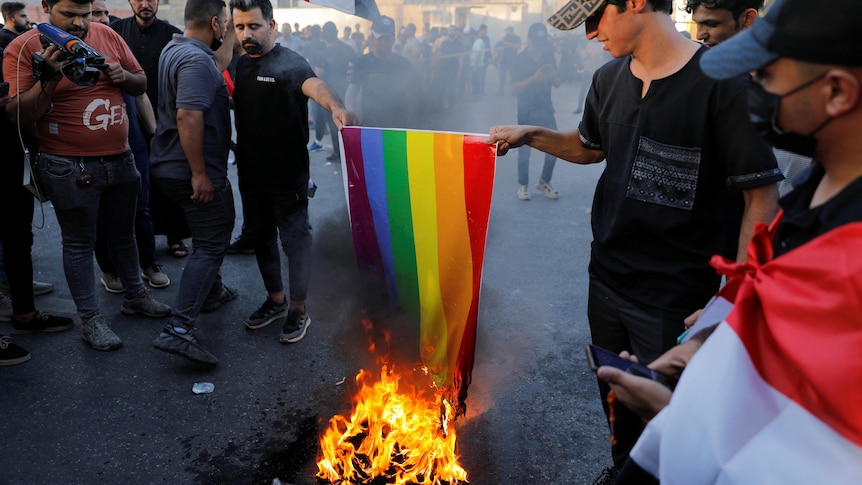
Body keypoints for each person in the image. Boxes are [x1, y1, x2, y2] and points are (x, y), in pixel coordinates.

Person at [488, 0, 782, 479]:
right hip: (606, 280)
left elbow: (761, 196)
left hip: (678, 296)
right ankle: (620, 468)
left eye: (594, 19)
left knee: (675, 417)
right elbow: (590, 148)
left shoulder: (724, 83)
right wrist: (533, 134)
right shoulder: (608, 79)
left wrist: (733, 297)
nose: (588, 35)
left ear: (637, 3)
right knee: (617, 396)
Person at [599, 0, 862, 482]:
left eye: (764, 77)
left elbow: (824, 449)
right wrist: (709, 338)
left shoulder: (850, 260)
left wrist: (687, 417)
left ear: (837, 92)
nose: (751, 92)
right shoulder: (818, 182)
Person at [4, 0, 171, 352]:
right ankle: (90, 320)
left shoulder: (107, 34)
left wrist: (123, 77)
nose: (80, 23)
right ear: (46, 7)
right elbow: (18, 114)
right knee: (80, 243)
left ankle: (135, 296)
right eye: (69, 14)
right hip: (68, 165)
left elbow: (141, 83)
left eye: (84, 13)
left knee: (123, 234)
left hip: (121, 158)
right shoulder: (22, 48)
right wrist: (48, 77)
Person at [229, 0, 357, 343]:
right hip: (251, 175)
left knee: (295, 243)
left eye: (254, 26)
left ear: (272, 25)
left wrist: (338, 106)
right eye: (240, 27)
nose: (247, 34)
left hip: (288, 179)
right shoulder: (240, 65)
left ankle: (299, 308)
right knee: (260, 239)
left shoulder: (290, 63)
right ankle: (276, 301)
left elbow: (315, 85)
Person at [149, 0, 236, 365]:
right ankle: (179, 329)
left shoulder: (178, 47)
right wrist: (200, 174)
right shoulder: (196, 61)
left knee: (207, 236)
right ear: (214, 23)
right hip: (188, 170)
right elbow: (188, 116)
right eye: (228, 24)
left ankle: (212, 291)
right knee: (212, 242)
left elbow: (220, 63)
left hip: (169, 165)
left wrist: (228, 30)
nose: (230, 29)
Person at [686, 0, 810, 196]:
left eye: (712, 24)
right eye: (697, 24)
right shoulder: (705, 79)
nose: (700, 35)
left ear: (748, 18)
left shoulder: (793, 85)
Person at [90, 0, 170, 292]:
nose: (101, 18)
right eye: (94, 13)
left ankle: (148, 263)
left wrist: (155, 135)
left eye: (103, 13)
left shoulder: (115, 42)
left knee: (141, 207)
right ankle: (110, 270)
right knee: (100, 214)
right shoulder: (65, 52)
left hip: (131, 141)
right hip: (91, 150)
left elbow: (140, 91)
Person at [112, 0, 191, 260]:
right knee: (135, 184)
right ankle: (139, 239)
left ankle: (175, 235)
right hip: (127, 121)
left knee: (170, 177)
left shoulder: (172, 34)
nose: (145, 4)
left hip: (166, 119)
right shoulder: (117, 31)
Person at [511, 22, 561, 201]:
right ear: (529, 40)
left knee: (555, 146)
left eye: (541, 43)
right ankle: (523, 185)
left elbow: (558, 82)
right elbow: (515, 88)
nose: (538, 47)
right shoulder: (519, 59)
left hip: (546, 108)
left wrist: (552, 76)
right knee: (524, 150)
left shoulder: (548, 56)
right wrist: (534, 78)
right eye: (535, 43)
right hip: (526, 110)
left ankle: (544, 181)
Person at [345, 16, 417, 129]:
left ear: (393, 39)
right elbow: (351, 93)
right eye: (380, 38)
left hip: (398, 127)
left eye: (387, 38)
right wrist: (351, 113)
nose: (384, 42)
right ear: (372, 38)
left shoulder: (404, 64)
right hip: (370, 125)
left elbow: (415, 96)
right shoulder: (363, 62)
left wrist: (413, 123)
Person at [313, 20, 357, 162]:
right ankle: (350, 151)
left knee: (334, 125)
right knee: (348, 121)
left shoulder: (322, 53)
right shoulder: (346, 49)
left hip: (330, 93)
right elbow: (357, 65)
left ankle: (339, 153)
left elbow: (319, 75)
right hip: (345, 89)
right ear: (337, 33)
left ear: (323, 36)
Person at [495, 26, 521, 95]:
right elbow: (502, 48)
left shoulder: (516, 38)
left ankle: (513, 91)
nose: (506, 32)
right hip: (504, 59)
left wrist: (508, 44)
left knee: (513, 76)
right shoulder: (505, 37)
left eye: (507, 31)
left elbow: (518, 46)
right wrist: (500, 57)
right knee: (502, 76)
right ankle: (501, 91)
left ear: (511, 31)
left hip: (512, 59)